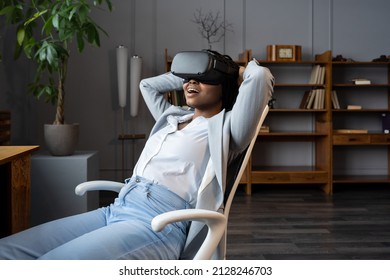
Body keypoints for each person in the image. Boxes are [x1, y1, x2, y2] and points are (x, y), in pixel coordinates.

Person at [0, 49, 274, 259]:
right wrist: (187, 68)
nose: (192, 82)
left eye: (203, 79)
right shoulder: (172, 116)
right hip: (117, 209)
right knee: (9, 251)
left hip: (158, 224)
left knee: (52, 266)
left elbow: (260, 77)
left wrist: (231, 70)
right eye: (188, 78)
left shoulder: (228, 129)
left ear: (224, 85)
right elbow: (147, 85)